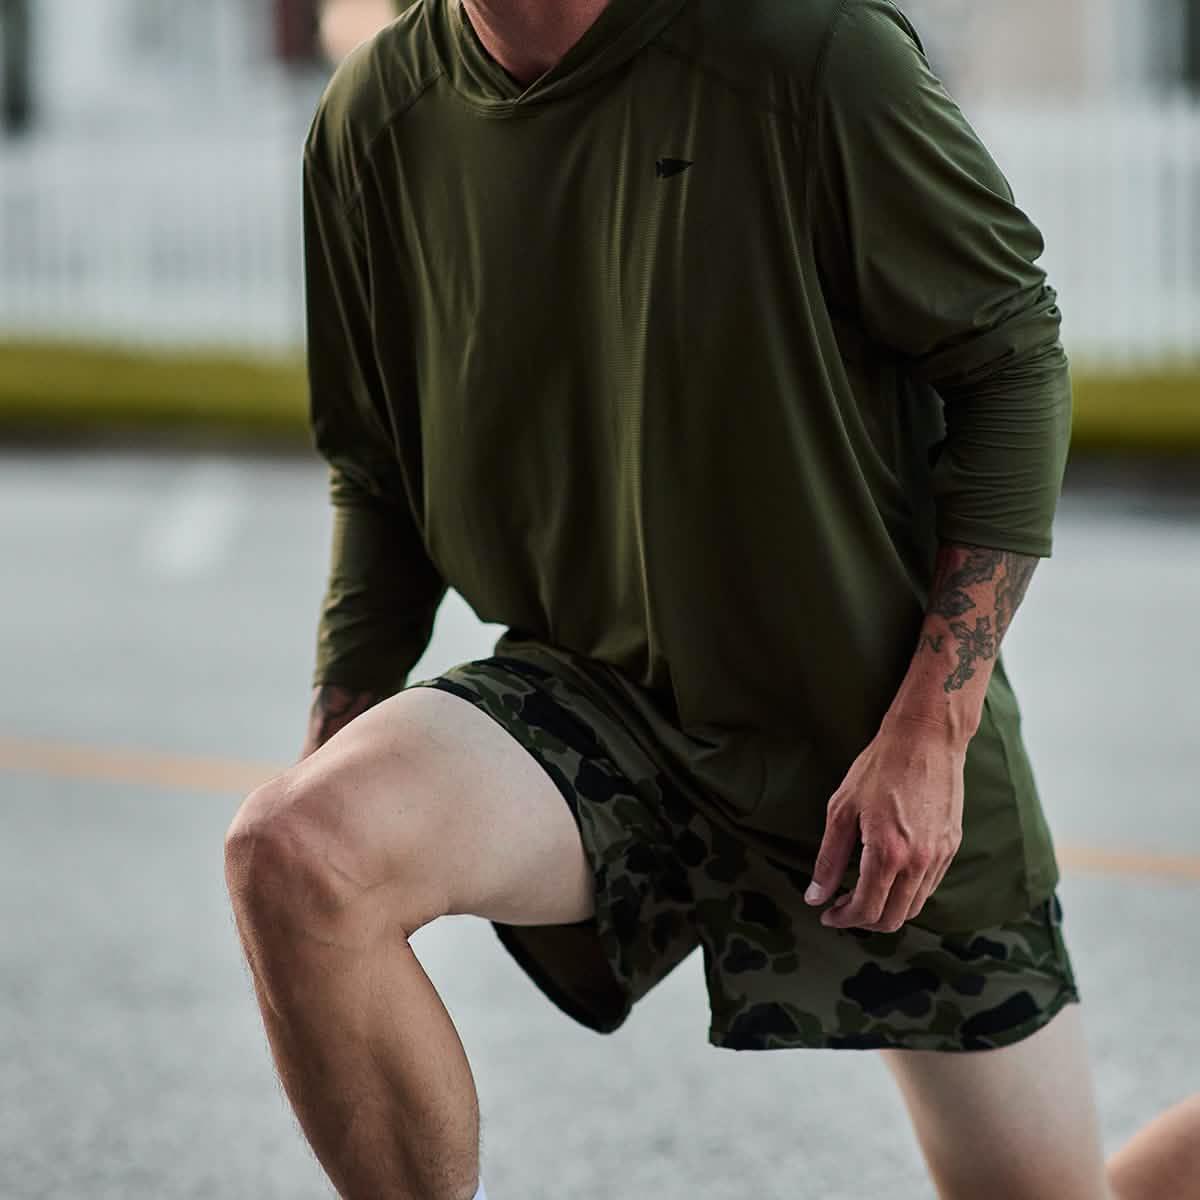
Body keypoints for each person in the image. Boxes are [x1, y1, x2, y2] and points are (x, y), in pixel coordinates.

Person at [224, 2, 1200, 1197]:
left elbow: (1012, 362)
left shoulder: (808, 54)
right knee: (294, 851)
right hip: (590, 700)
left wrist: (931, 731)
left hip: (863, 722)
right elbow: (379, 470)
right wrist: (343, 725)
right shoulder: (375, 114)